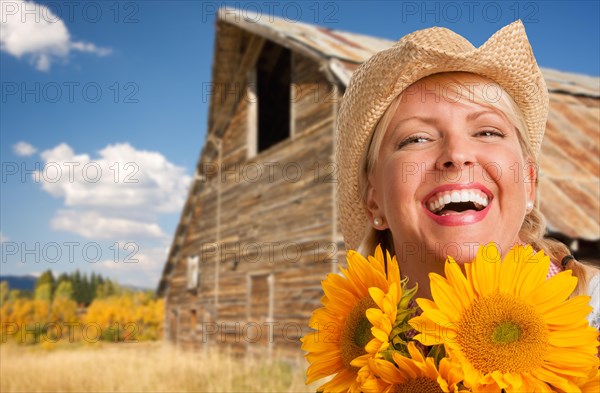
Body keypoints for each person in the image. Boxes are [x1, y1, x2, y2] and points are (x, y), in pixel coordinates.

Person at [335, 20, 599, 326]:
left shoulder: (592, 313)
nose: (457, 155)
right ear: (374, 200)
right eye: (417, 138)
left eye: (487, 132)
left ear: (529, 183)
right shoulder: (359, 351)